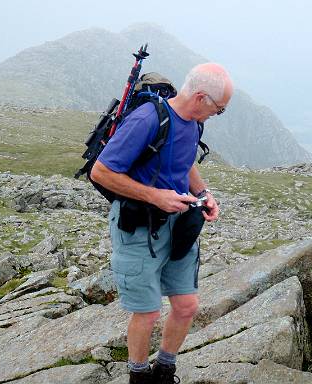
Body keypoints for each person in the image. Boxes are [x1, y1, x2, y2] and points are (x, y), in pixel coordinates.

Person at [91, 63, 233, 384]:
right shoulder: (146, 120)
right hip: (138, 227)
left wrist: (203, 193)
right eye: (219, 109)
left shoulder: (194, 123)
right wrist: (156, 196)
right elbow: (101, 172)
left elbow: (185, 162)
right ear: (200, 97)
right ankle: (139, 376)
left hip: (178, 225)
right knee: (148, 311)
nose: (216, 114)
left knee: (186, 305)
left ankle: (165, 371)